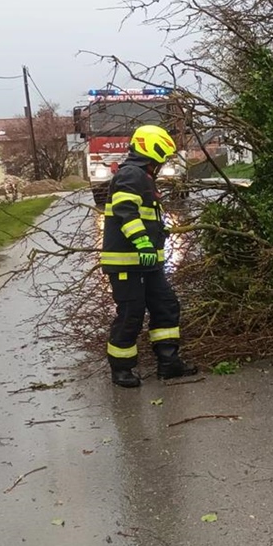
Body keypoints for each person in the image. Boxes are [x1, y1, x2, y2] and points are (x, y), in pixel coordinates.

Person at [100, 124, 197, 387]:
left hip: (148, 263)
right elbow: (126, 211)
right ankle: (121, 369)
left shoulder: (143, 177)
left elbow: (145, 216)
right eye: (163, 155)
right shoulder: (131, 174)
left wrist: (158, 232)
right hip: (128, 262)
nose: (163, 162)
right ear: (152, 149)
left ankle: (169, 363)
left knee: (165, 305)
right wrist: (142, 242)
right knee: (131, 313)